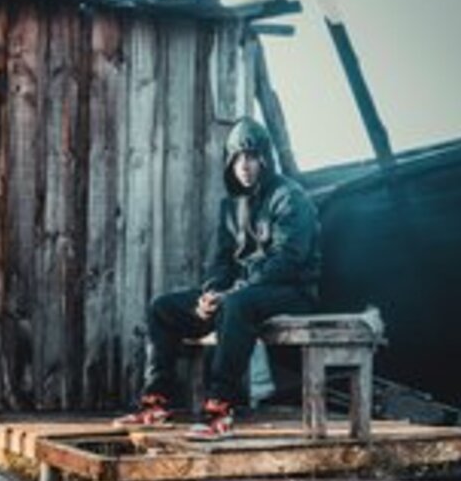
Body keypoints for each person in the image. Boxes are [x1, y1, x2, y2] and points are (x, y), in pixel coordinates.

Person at [116, 116, 321, 438]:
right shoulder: (231, 206)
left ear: (265, 158)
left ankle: (220, 409)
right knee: (163, 308)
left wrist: (231, 293)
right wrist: (209, 294)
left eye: (251, 156)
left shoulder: (290, 197)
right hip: (240, 295)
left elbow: (287, 262)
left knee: (237, 304)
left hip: (291, 292)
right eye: (237, 157)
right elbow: (220, 262)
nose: (245, 164)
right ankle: (155, 402)